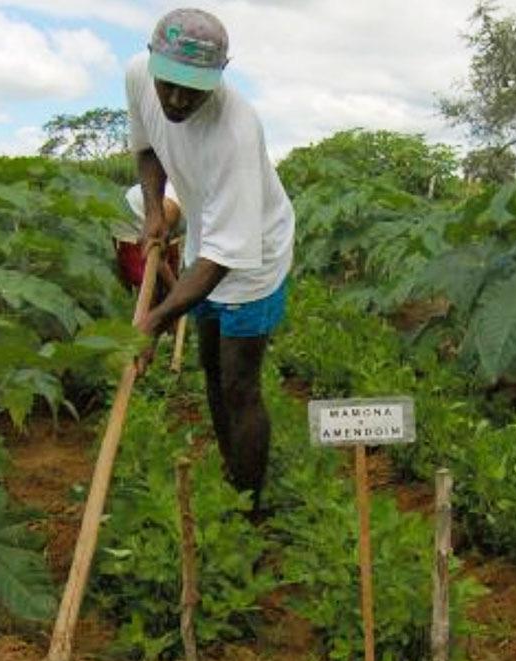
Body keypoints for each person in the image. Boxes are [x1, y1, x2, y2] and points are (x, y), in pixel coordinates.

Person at [127, 7, 294, 517]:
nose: (176, 100)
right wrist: (156, 209)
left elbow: (225, 259)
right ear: (154, 63)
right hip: (207, 234)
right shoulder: (138, 76)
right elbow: (148, 148)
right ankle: (230, 468)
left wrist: (154, 321)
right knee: (209, 369)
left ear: (219, 77)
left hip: (252, 257)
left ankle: (249, 507)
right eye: (169, 85)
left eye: (192, 89)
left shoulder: (236, 130)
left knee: (239, 382)